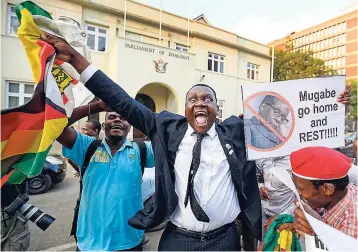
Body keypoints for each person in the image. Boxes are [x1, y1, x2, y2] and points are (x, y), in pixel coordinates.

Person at [41, 33, 351, 251]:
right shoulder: (166, 129)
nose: (200, 103)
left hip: (225, 240)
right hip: (178, 238)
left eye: (208, 99)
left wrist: (332, 106)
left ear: (217, 110)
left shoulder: (237, 133)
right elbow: (121, 100)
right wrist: (78, 61)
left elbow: (291, 124)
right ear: (185, 108)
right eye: (193, 99)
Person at [57, 101, 155, 251]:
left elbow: (169, 144)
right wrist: (97, 106)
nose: (117, 120)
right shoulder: (86, 146)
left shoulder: (141, 149)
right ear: (103, 126)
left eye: (123, 118)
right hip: (90, 243)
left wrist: (141, 114)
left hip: (130, 241)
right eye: (112, 117)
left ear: (129, 127)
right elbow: (56, 125)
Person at [278, 147, 358, 239]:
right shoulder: (339, 195)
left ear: (328, 189)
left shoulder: (353, 223)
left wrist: (317, 237)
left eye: (301, 189)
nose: (298, 193)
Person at [256, 156, 296, 239]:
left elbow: (302, 197)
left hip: (287, 217)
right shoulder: (261, 155)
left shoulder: (294, 160)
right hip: (263, 214)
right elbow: (259, 175)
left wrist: (281, 217)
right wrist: (260, 187)